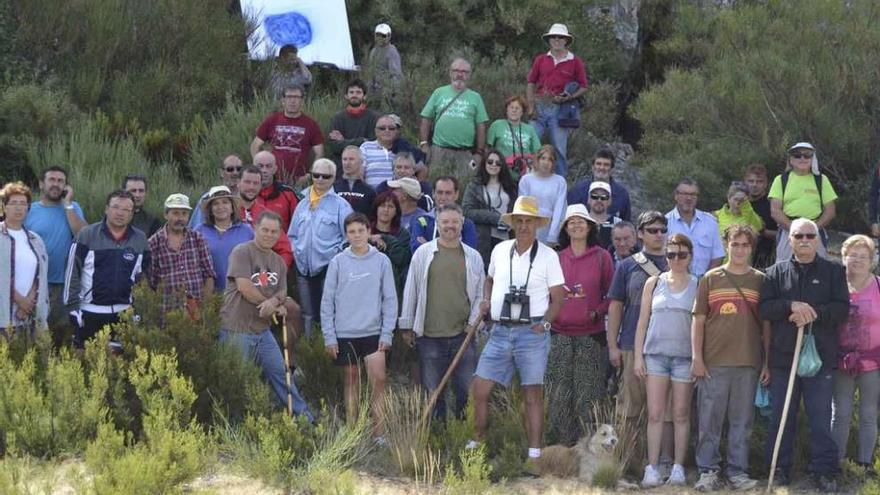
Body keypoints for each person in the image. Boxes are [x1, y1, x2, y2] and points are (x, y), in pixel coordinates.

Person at [469, 196, 565, 461]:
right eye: (519, 221)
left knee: (532, 393)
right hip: (500, 330)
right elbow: (489, 279)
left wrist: (545, 324)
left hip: (532, 332)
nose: (524, 226)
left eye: (529, 221)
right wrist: (486, 300)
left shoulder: (548, 256)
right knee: (480, 387)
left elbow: (559, 298)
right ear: (512, 224)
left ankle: (534, 453)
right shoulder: (501, 250)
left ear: (537, 225)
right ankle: (478, 442)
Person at [760, 218, 848, 491]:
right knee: (780, 417)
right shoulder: (774, 273)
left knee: (820, 417)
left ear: (819, 239)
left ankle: (824, 471)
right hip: (784, 357)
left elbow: (842, 309)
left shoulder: (834, 272)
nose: (805, 240)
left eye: (810, 235)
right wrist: (790, 306)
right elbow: (765, 308)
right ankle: (779, 469)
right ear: (790, 241)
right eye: (799, 236)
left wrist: (814, 312)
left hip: (819, 358)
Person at [691, 225, 768, 492]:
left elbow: (766, 326)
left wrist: (766, 361)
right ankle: (707, 470)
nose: (739, 249)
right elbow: (698, 320)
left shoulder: (761, 280)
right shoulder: (710, 278)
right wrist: (696, 358)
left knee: (742, 422)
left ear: (752, 248)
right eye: (735, 244)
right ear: (726, 246)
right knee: (709, 421)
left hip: (748, 361)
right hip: (713, 362)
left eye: (745, 245)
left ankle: (738, 471)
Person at [221, 210, 313, 420]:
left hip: (262, 331)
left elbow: (282, 291)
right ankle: (235, 427)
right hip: (237, 329)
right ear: (256, 228)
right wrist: (268, 303)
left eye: (274, 231)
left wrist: (274, 302)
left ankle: (305, 420)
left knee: (282, 375)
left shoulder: (278, 262)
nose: (269, 235)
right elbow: (244, 286)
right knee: (238, 378)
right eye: (265, 230)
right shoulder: (242, 252)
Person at [399, 203, 485, 420]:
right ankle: (438, 437)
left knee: (465, 390)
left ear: (462, 224)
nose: (450, 226)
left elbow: (480, 295)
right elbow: (412, 289)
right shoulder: (423, 254)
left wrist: (472, 324)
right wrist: (407, 325)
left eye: (455, 222)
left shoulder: (473, 257)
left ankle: (464, 436)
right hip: (429, 336)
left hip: (463, 336)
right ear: (437, 224)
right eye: (445, 222)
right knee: (433, 392)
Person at [321, 212, 397, 441]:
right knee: (352, 380)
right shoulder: (338, 262)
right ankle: (353, 431)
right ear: (346, 234)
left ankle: (378, 432)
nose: (356, 236)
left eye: (360, 231)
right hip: (345, 332)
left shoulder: (382, 261)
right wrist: (329, 337)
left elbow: (390, 299)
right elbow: (327, 301)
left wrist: (387, 332)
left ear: (368, 231)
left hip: (373, 332)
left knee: (378, 380)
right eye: (351, 232)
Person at [546, 204, 614, 445]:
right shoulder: (555, 258)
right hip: (559, 335)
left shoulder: (601, 256)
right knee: (559, 395)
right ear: (565, 227)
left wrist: (597, 312)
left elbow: (611, 294)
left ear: (590, 226)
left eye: (581, 221)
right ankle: (560, 449)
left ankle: (587, 447)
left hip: (591, 336)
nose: (576, 225)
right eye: (571, 222)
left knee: (588, 396)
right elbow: (546, 294)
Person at [633, 233, 698, 487]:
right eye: (671, 254)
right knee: (655, 413)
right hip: (655, 355)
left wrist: (698, 357)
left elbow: (700, 324)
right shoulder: (653, 282)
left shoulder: (697, 284)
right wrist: (638, 356)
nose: (676, 259)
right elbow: (642, 323)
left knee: (681, 414)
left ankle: (678, 467)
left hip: (684, 357)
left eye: (682, 254)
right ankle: (652, 467)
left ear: (690, 256)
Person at [606, 211, 670, 468]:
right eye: (652, 230)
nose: (658, 235)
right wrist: (613, 346)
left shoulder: (676, 261)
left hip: (666, 347)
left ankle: (659, 462)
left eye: (662, 230)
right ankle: (628, 463)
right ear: (640, 234)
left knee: (663, 410)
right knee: (629, 408)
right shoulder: (627, 265)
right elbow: (615, 308)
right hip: (632, 344)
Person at [65, 190, 148, 350]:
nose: (120, 213)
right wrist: (73, 308)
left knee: (121, 365)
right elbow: (72, 273)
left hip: (124, 314)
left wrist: (139, 310)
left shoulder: (140, 239)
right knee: (86, 363)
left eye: (126, 209)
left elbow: (142, 277)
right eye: (116, 207)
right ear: (106, 209)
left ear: (132, 213)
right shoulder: (87, 235)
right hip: (89, 312)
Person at [831, 235, 880, 473]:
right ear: (844, 257)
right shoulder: (836, 285)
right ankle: (836, 461)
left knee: (869, 414)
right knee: (840, 413)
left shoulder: (879, 285)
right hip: (841, 362)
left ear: (871, 261)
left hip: (873, 362)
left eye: (864, 256)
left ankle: (864, 463)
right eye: (853, 255)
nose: (858, 260)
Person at [288, 159, 353, 334]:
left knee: (327, 312)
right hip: (302, 267)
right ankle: (310, 350)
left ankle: (328, 352)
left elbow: (349, 235)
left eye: (326, 176)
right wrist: (296, 252)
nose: (320, 179)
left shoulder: (341, 205)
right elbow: (292, 234)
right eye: (316, 175)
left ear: (333, 178)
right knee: (307, 313)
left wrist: (335, 255)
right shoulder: (301, 201)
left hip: (328, 267)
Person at [24, 166, 87, 346]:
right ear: (41, 184)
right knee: (35, 336)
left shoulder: (73, 208)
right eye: (52, 180)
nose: (56, 184)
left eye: (61, 181)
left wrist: (68, 204)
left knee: (63, 337)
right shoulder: (30, 210)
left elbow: (83, 234)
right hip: (34, 285)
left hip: (64, 286)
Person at [526, 23, 589, 177]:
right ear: (549, 40)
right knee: (529, 144)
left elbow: (584, 86)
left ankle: (560, 183)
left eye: (560, 37)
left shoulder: (575, 61)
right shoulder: (541, 59)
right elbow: (531, 83)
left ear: (566, 40)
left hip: (560, 109)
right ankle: (527, 178)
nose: (556, 39)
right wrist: (531, 106)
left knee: (560, 149)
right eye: (553, 37)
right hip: (540, 106)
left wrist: (570, 97)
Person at [418, 58, 489, 179]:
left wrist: (479, 153)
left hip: (465, 154)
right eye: (456, 70)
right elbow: (426, 119)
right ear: (450, 73)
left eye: (464, 71)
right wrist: (424, 144)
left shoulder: (475, 97)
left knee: (464, 185)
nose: (460, 74)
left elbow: (481, 126)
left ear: (469, 75)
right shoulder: (439, 93)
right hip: (439, 151)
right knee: (436, 183)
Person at [147, 194, 216, 317]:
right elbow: (151, 282)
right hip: (167, 311)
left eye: (184, 214)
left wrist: (205, 306)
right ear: (166, 214)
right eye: (175, 213)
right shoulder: (153, 243)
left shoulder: (198, 239)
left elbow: (209, 274)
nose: (180, 218)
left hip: (196, 311)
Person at [769, 143, 837, 261]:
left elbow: (830, 210)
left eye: (807, 155)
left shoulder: (821, 180)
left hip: (815, 231)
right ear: (791, 159)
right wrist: (795, 229)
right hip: (788, 231)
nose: (802, 158)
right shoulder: (780, 179)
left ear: (813, 159)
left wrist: (812, 229)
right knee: (784, 268)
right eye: (797, 155)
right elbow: (775, 210)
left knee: (819, 270)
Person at [0, 182, 49, 337]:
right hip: (3, 317)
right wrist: (19, 299)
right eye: (13, 203)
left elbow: (40, 275)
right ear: (4, 207)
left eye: (23, 203)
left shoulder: (36, 240)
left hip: (30, 316)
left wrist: (27, 303)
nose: (18, 207)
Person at [251, 84, 324, 185]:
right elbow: (255, 145)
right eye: (289, 97)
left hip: (299, 182)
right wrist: (260, 169)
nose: (292, 101)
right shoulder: (272, 120)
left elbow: (319, 152)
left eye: (296, 97)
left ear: (302, 101)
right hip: (274, 181)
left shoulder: (311, 124)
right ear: (283, 100)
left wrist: (309, 175)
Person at [463, 148, 518, 267]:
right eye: (490, 162)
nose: (494, 165)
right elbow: (467, 211)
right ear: (484, 163)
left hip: (506, 238)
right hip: (482, 238)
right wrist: (496, 218)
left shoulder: (510, 186)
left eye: (498, 163)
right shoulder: (474, 185)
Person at [194, 186, 254, 292]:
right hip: (209, 294)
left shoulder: (247, 230)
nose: (220, 207)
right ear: (210, 210)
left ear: (232, 208)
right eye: (215, 204)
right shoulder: (199, 231)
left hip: (240, 293)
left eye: (225, 202)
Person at [666, 178, 725, 277]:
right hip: (675, 282)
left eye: (693, 194)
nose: (689, 198)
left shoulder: (710, 222)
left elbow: (718, 256)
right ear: (676, 196)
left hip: (705, 281)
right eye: (684, 194)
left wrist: (705, 281)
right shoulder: (666, 222)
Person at [237, 166, 293, 267]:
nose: (251, 187)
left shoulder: (266, 215)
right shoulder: (226, 211)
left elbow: (285, 250)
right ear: (238, 183)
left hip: (260, 277)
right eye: (247, 182)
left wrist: (275, 274)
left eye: (256, 183)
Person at [409, 176, 478, 252]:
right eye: (439, 192)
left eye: (448, 193)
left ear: (456, 195)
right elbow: (417, 250)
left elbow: (469, 253)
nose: (443, 197)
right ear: (433, 194)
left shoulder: (466, 224)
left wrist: (428, 246)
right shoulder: (421, 221)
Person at [517, 145, 567, 246]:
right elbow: (523, 209)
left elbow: (559, 210)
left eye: (550, 159)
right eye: (543, 158)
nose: (546, 162)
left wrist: (553, 235)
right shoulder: (526, 180)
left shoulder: (560, 182)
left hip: (550, 227)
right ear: (537, 160)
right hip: (530, 226)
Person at [567, 149, 632, 221]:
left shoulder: (622, 194)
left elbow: (626, 223)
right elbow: (568, 218)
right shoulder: (577, 191)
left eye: (606, 165)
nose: (602, 168)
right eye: (598, 164)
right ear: (592, 167)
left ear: (612, 169)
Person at [486, 96, 542, 180]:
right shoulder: (497, 125)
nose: (514, 110)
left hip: (523, 174)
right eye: (511, 107)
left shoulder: (529, 129)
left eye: (517, 108)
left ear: (522, 112)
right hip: (501, 172)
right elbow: (488, 148)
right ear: (507, 110)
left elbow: (537, 152)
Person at [369, 191, 412, 298]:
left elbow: (401, 259)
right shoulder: (365, 230)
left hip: (393, 288)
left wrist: (384, 238)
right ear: (376, 209)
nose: (386, 210)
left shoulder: (403, 234)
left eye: (390, 206)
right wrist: (369, 239)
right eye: (382, 206)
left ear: (396, 211)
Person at [327, 79, 380, 161]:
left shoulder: (374, 117)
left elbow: (374, 145)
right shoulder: (337, 118)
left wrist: (344, 141)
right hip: (342, 163)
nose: (354, 95)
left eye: (358, 92)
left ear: (364, 96)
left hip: (366, 162)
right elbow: (335, 146)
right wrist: (362, 141)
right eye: (351, 92)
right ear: (346, 96)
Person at [189, 155, 243, 227]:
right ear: (221, 173)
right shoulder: (207, 199)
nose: (235, 173)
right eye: (230, 169)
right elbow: (196, 229)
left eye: (239, 169)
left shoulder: (248, 198)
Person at [253, 151, 299, 232]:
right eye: (260, 166)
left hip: (281, 243)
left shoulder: (288, 194)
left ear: (275, 169)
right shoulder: (245, 194)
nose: (264, 170)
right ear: (253, 168)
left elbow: (298, 227)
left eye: (268, 166)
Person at [744, 164, 777, 269]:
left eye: (759, 181)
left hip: (765, 260)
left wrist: (763, 232)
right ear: (745, 182)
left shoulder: (773, 206)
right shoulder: (738, 204)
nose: (754, 185)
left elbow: (783, 235)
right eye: (751, 181)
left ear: (766, 183)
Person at [366, 23, 402, 109]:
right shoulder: (374, 51)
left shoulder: (392, 52)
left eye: (383, 36)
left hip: (387, 94)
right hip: (375, 92)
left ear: (389, 36)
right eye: (378, 35)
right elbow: (371, 73)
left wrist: (390, 93)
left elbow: (396, 75)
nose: (380, 38)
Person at [361, 115, 402, 188]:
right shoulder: (366, 147)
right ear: (376, 131)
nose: (387, 131)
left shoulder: (404, 148)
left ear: (396, 131)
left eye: (391, 128)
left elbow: (420, 168)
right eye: (382, 128)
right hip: (372, 195)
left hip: (397, 195)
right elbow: (359, 174)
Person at [334, 145, 377, 216]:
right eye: (344, 159)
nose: (347, 163)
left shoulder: (370, 191)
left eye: (351, 159)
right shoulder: (333, 188)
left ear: (361, 162)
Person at [585, 181, 621, 250]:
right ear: (588, 199)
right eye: (594, 196)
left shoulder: (618, 223)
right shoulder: (581, 221)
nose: (599, 200)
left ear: (610, 201)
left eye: (604, 197)